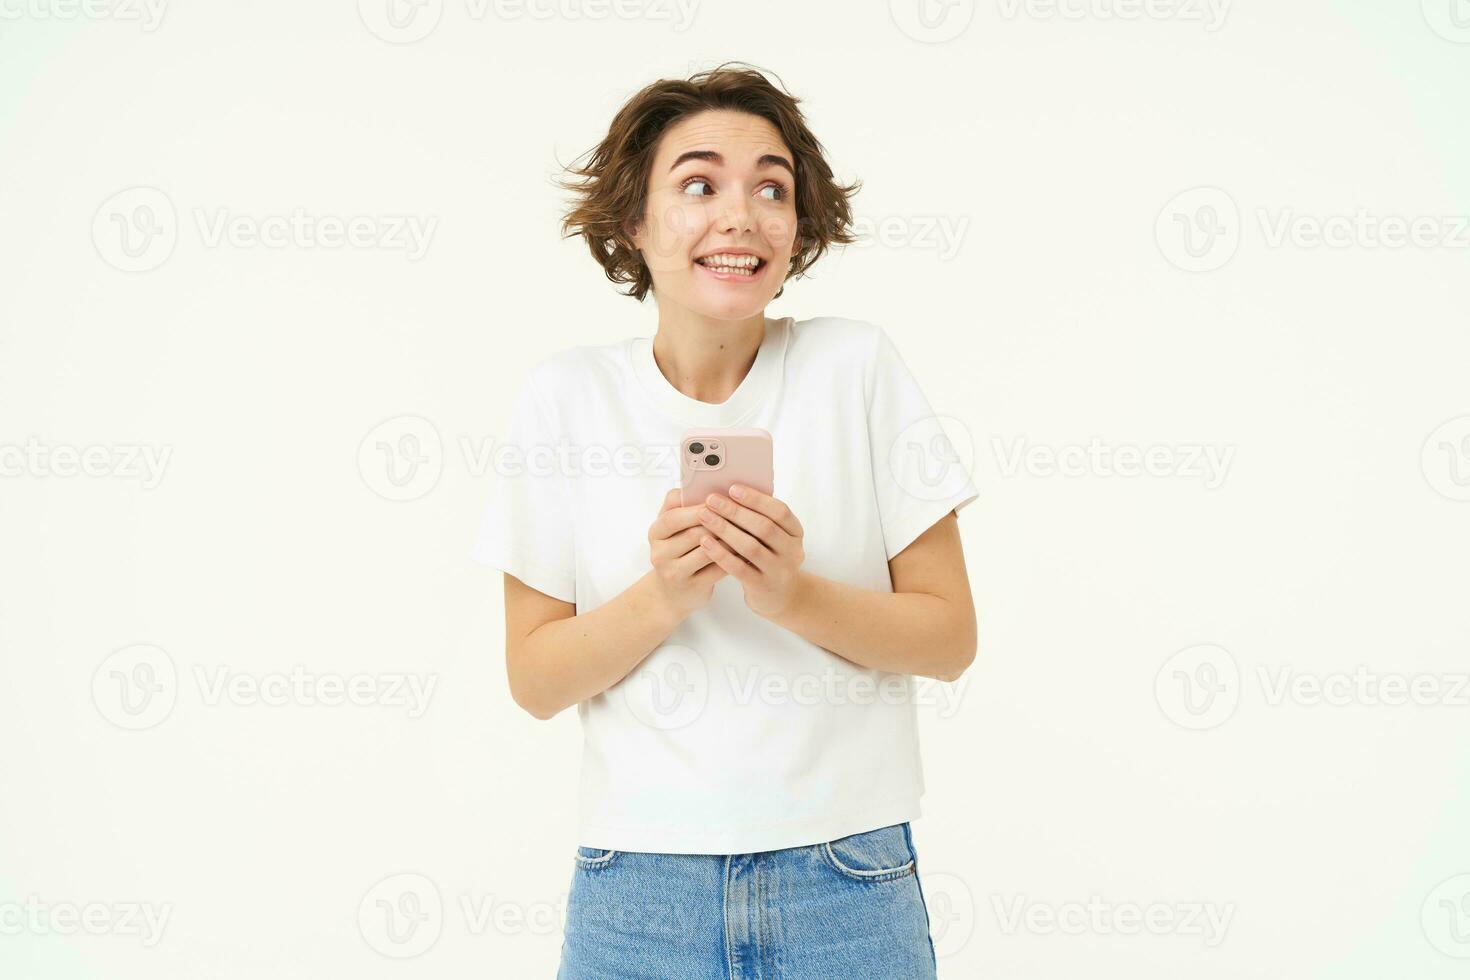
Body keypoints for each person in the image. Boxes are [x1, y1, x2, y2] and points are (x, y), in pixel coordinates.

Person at [472, 62, 979, 979]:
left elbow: (949, 639)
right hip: (638, 892)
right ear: (634, 222)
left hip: (849, 878)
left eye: (771, 188)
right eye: (698, 184)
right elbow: (535, 680)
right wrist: (664, 595)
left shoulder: (856, 368)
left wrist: (791, 593)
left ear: (798, 224)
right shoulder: (565, 398)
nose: (739, 216)